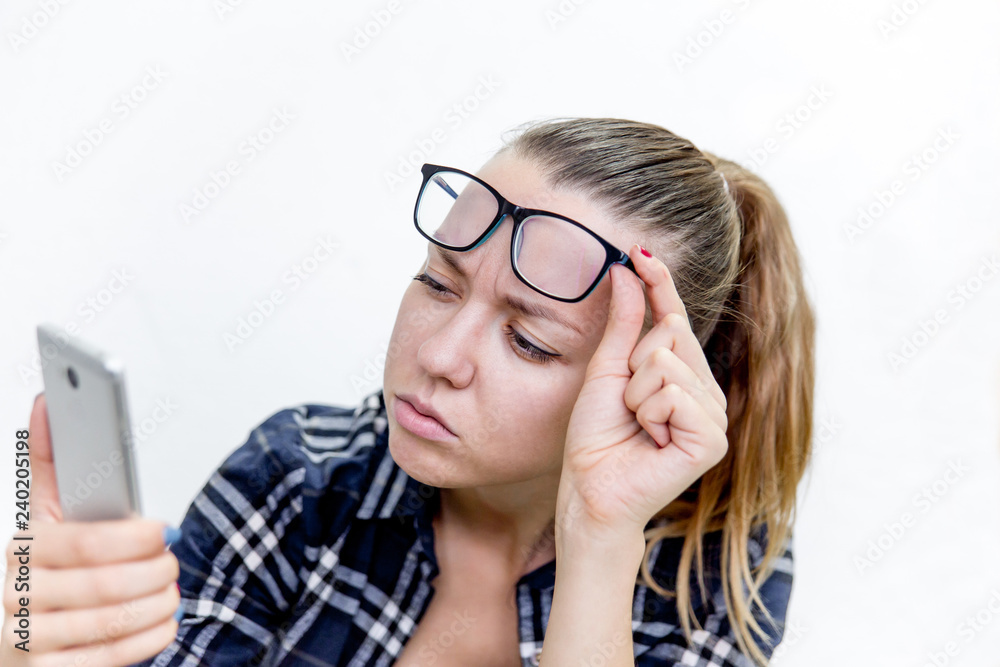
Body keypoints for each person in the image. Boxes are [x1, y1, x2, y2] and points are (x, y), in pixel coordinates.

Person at [2, 117, 815, 666]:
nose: (441, 355)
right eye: (438, 283)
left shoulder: (717, 572)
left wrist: (601, 541)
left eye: (529, 340)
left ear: (645, 383)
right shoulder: (299, 480)